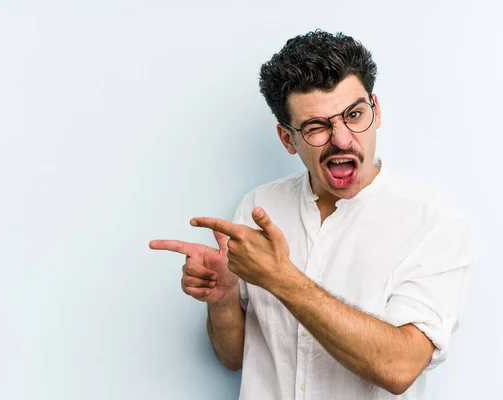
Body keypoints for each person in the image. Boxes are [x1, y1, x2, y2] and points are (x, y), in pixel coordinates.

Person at [149, 30, 473, 399]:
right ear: (288, 139)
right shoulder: (259, 205)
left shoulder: (434, 223)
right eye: (316, 126)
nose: (342, 139)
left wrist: (280, 278)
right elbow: (235, 357)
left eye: (354, 114)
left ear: (376, 110)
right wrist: (223, 301)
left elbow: (400, 368)